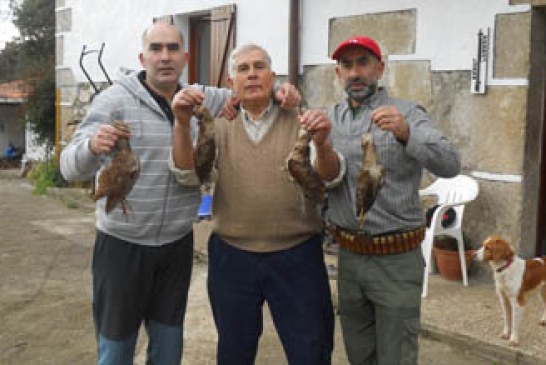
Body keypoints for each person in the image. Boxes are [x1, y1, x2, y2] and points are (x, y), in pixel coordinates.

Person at [60, 22, 301, 365]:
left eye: (173, 49)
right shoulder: (113, 100)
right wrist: (91, 147)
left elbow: (248, 91)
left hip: (175, 246)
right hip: (123, 247)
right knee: (116, 349)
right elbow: (69, 167)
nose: (165, 57)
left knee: (169, 347)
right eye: (156, 49)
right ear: (143, 57)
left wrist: (282, 92)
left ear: (185, 57)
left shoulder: (201, 97)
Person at [170, 44, 340, 365]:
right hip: (232, 258)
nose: (251, 75)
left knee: (311, 349)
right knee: (234, 352)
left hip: (297, 257)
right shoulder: (218, 123)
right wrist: (180, 123)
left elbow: (329, 176)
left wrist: (323, 142)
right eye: (243, 69)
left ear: (273, 77)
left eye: (259, 67)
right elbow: (187, 174)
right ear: (231, 82)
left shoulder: (302, 119)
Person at [326, 36, 461, 364]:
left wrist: (406, 134)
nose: (355, 72)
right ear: (338, 73)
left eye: (363, 62)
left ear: (380, 68)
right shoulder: (329, 118)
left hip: (396, 261)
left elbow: (449, 162)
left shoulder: (408, 112)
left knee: (397, 356)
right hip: (349, 260)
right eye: (347, 65)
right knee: (359, 354)